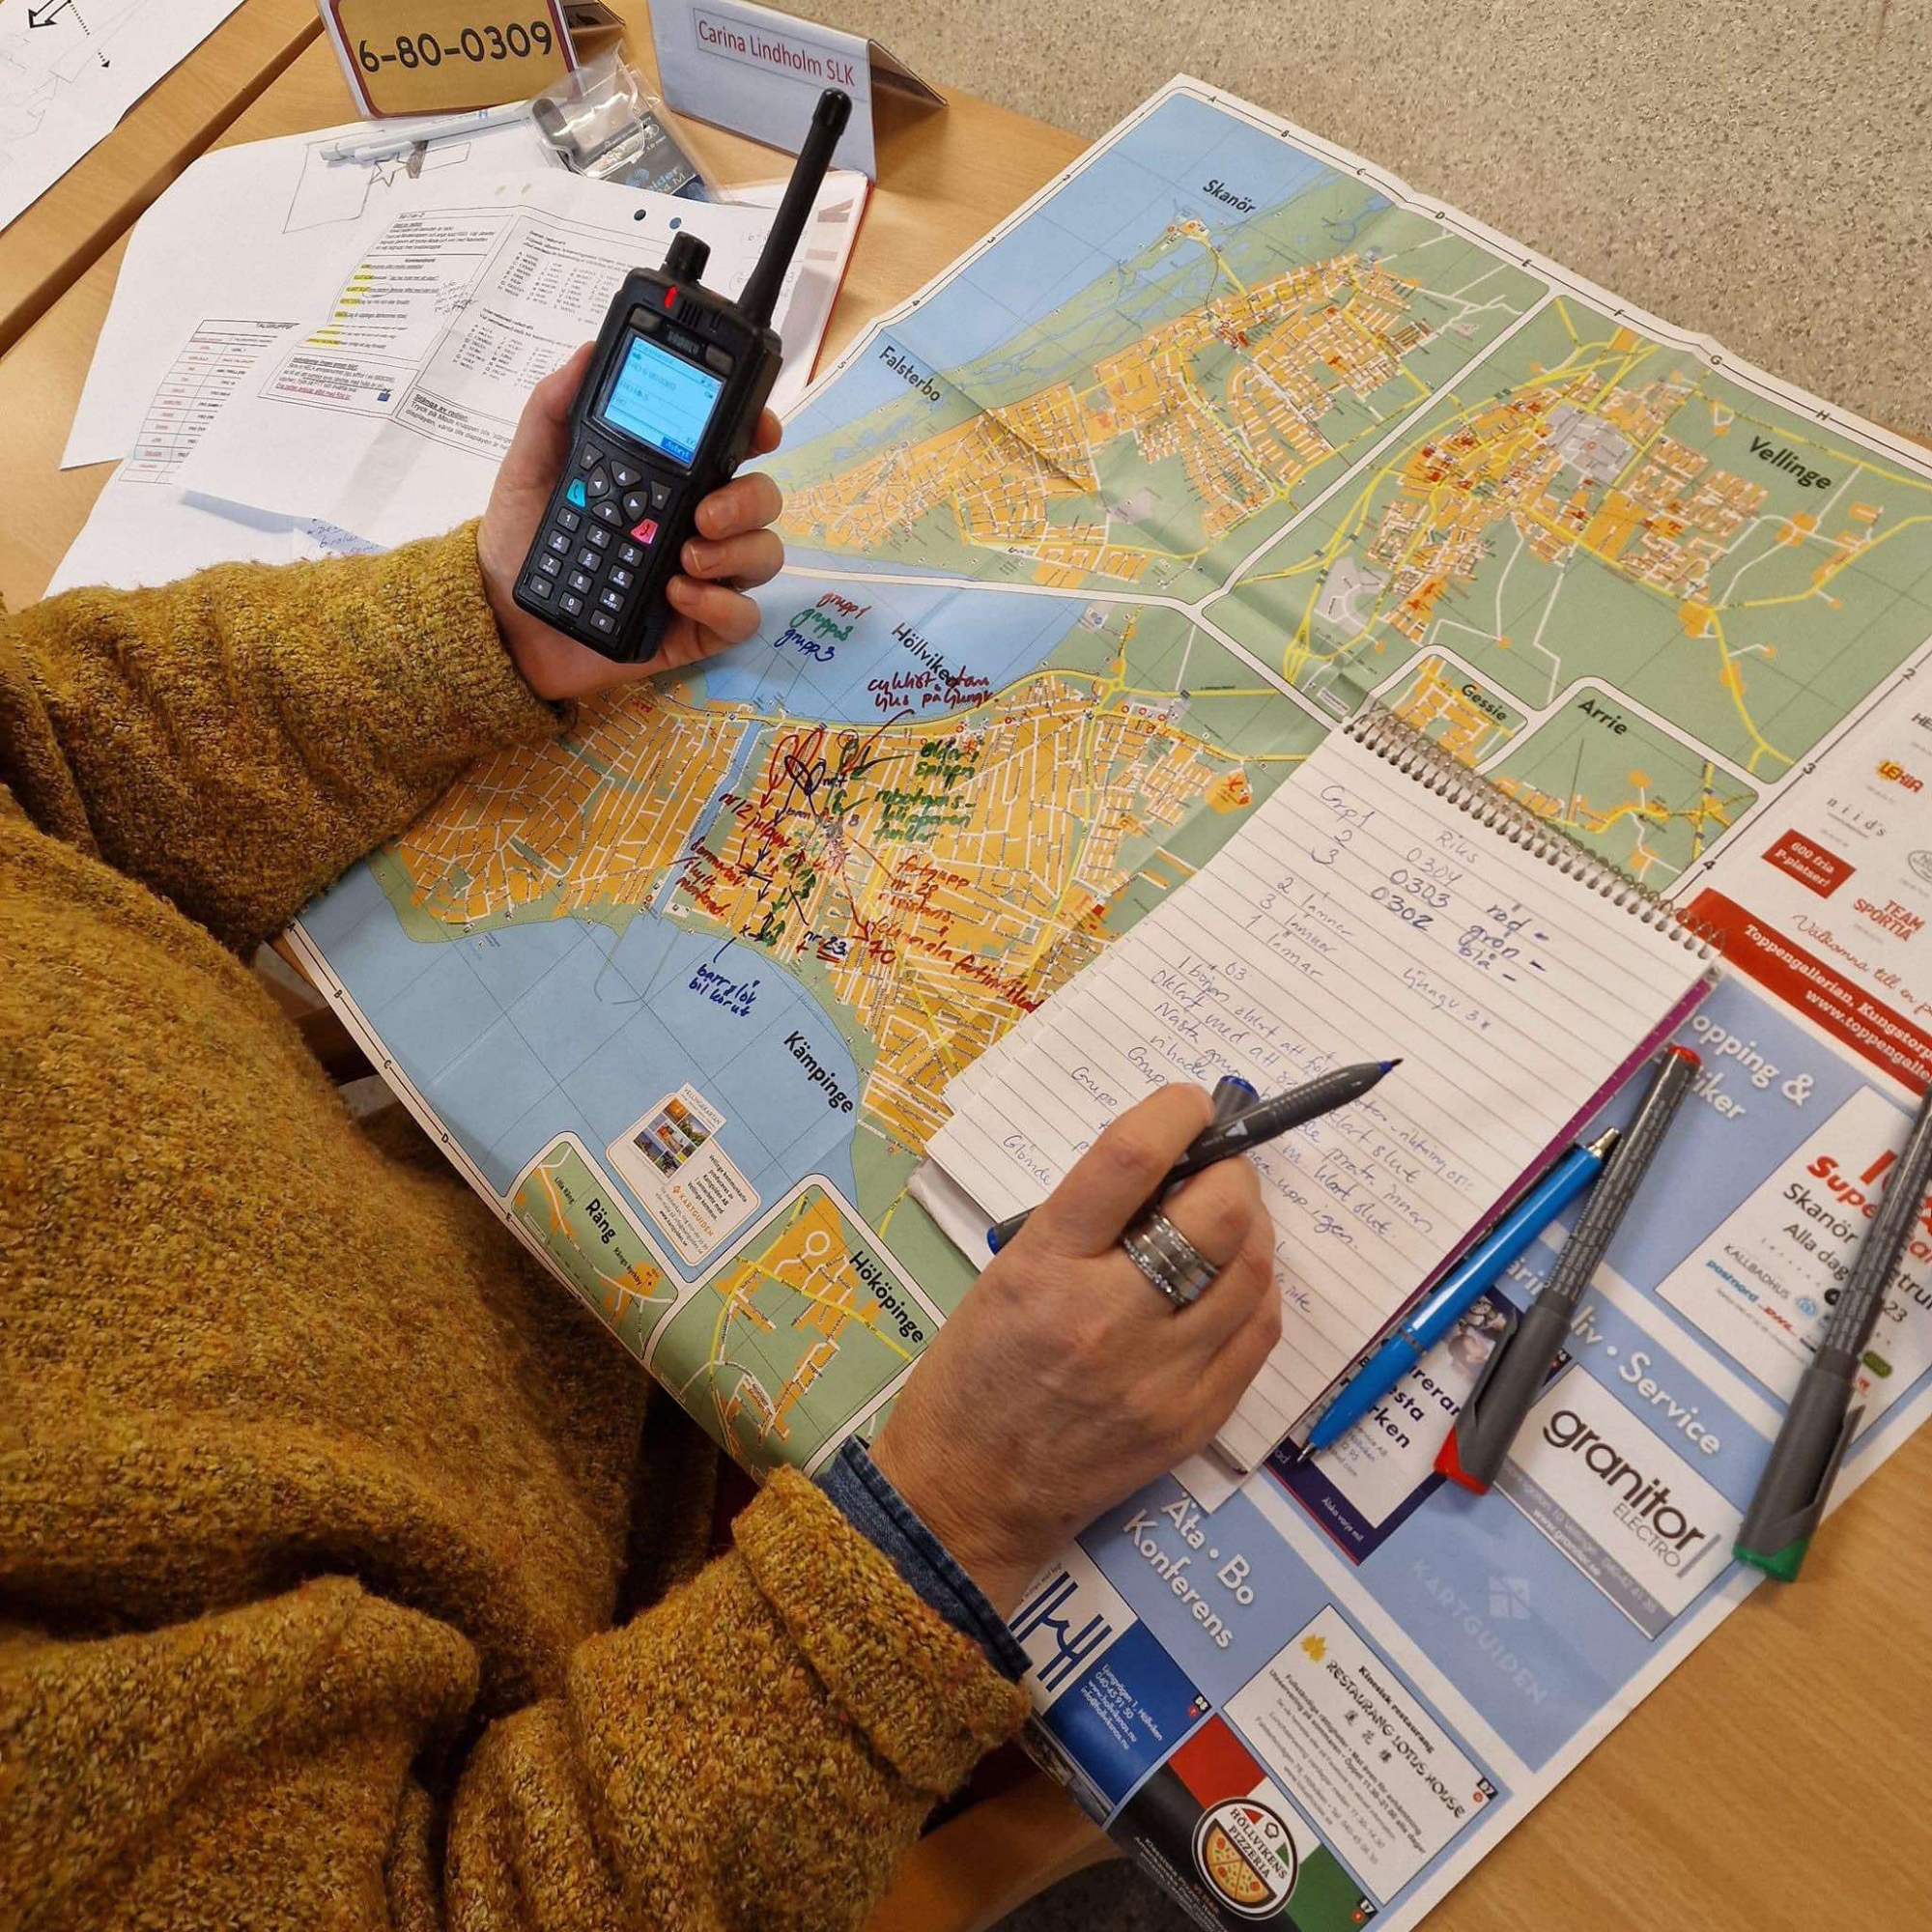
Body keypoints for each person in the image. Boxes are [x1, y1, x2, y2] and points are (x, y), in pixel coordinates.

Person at [0, 346, 1283, 1929]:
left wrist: (483, 632)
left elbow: (45, 744)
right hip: (695, 1622)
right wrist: (949, 1519)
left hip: (540, 1229)